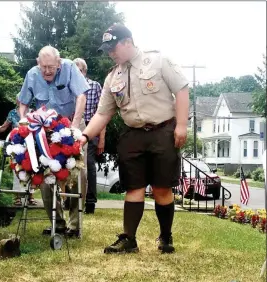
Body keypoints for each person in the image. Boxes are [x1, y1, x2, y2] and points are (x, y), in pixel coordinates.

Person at [79, 24, 189, 254]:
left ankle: (166, 237)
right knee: (133, 187)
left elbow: (181, 89)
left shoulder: (158, 61)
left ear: (127, 42)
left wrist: (181, 125)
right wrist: (85, 136)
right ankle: (129, 239)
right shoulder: (113, 77)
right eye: (107, 49)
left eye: (113, 47)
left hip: (163, 131)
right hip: (133, 135)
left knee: (161, 188)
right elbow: (103, 113)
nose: (110, 53)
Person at [18, 45, 90, 237]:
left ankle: (75, 225)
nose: (48, 71)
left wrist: (75, 127)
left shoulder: (69, 68)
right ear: (38, 63)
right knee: (44, 171)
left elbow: (81, 96)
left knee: (78, 173)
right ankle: (57, 222)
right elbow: (23, 102)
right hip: (45, 129)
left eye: (52, 67)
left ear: (59, 63)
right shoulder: (32, 75)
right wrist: (23, 120)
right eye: (44, 67)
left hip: (73, 121)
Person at [0, 101, 37, 206]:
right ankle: (17, 197)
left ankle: (30, 196)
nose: (22, 101)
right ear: (17, 101)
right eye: (20, 99)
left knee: (30, 168)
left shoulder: (32, 112)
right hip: (16, 145)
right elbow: (4, 127)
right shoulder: (12, 113)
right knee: (16, 169)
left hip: (30, 144)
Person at [73, 58, 106, 214]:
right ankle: (71, 200)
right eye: (74, 70)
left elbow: (102, 114)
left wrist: (102, 139)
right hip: (72, 129)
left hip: (91, 130)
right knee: (71, 165)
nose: (77, 73)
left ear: (84, 71)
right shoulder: (69, 86)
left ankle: (90, 201)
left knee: (89, 165)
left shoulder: (94, 86)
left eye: (80, 70)